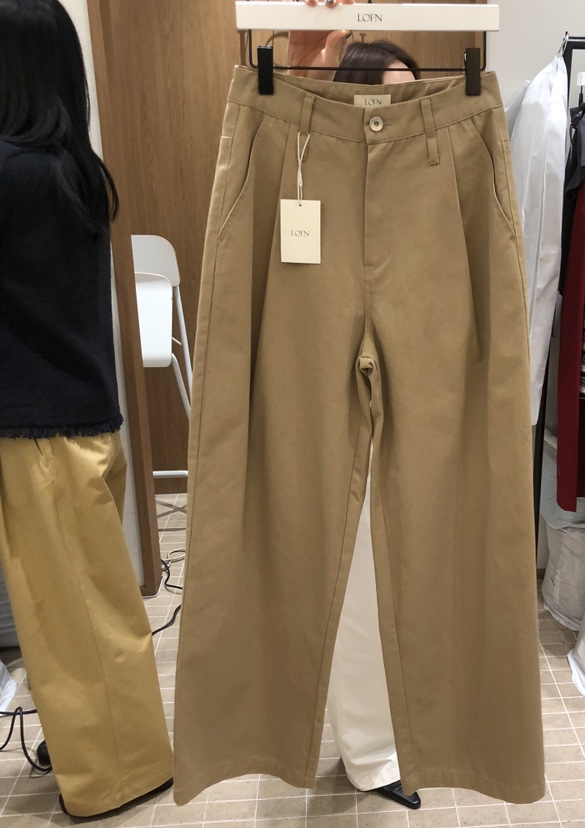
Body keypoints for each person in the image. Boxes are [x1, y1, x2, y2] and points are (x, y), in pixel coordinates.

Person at [0, 0, 174, 818]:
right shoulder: (73, 169)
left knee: (72, 615)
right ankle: (102, 749)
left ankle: (120, 773)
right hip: (80, 420)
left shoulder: (13, 174)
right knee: (88, 608)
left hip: (39, 431)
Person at [289, 6, 421, 810]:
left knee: (417, 562)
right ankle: (371, 752)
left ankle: (405, 731)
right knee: (364, 571)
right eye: (385, 97)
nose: (402, 110)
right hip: (338, 384)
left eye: (413, 95)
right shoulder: (315, 175)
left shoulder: (431, 176)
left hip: (421, 375)